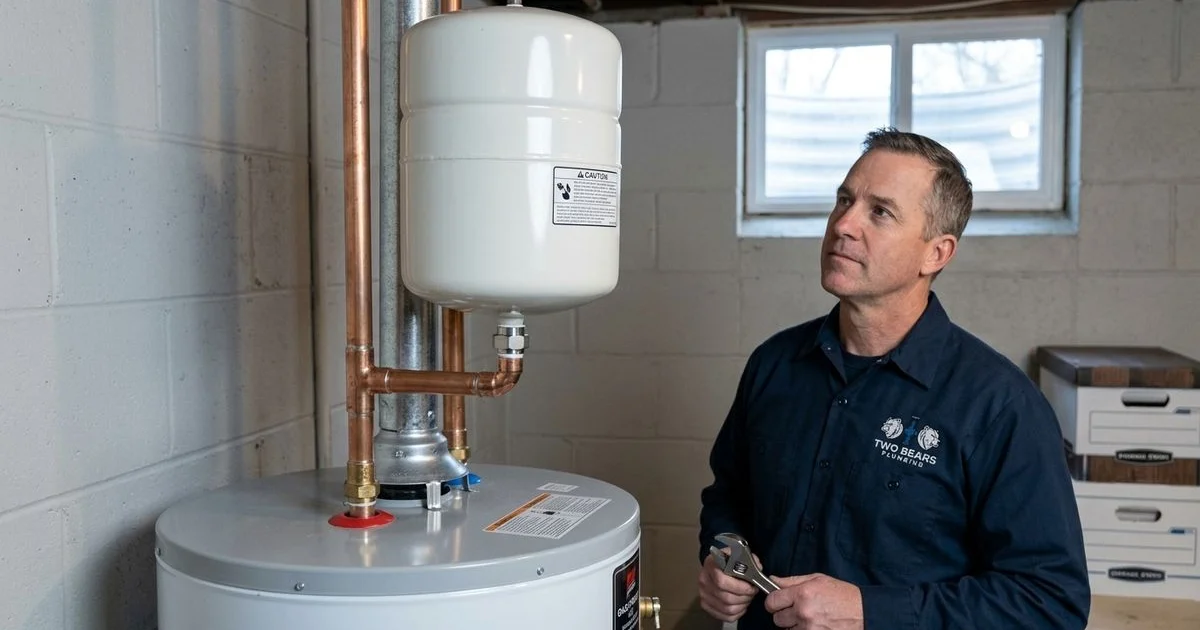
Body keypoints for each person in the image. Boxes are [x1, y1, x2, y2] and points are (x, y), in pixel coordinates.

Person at [697, 127, 1091, 629]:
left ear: (936, 253)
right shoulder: (774, 365)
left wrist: (870, 613)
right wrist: (722, 556)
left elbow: (1051, 602)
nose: (844, 224)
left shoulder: (1001, 407)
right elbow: (727, 498)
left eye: (880, 212)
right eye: (844, 200)